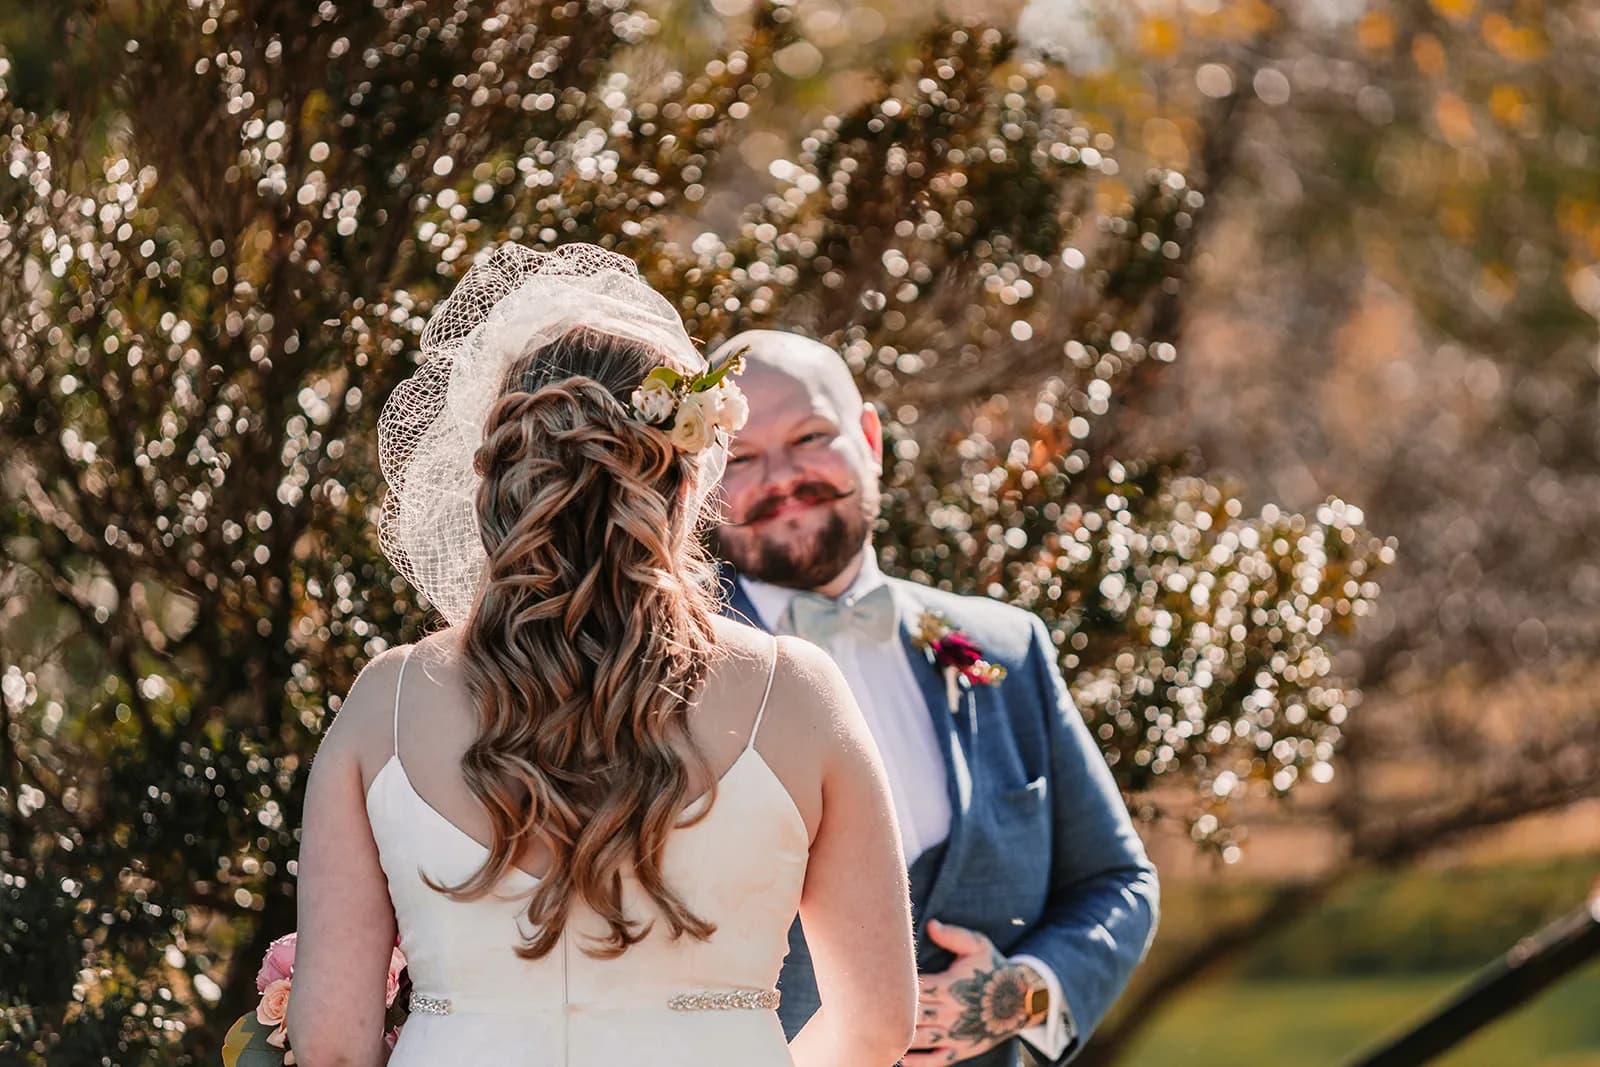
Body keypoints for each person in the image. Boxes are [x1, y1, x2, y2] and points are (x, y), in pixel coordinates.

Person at [285, 246, 917, 1067]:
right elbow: (874, 1026)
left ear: (500, 482)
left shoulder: (387, 702)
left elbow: (332, 1043)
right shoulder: (795, 694)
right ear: (686, 481)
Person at [712, 329, 1160, 1067]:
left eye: (809, 436)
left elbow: (1118, 883)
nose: (783, 477)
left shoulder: (1008, 649)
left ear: (869, 438)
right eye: (742, 456)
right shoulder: (660, 675)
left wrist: (1020, 993)